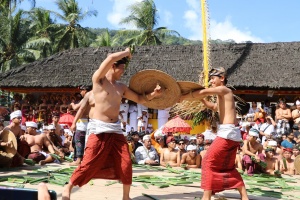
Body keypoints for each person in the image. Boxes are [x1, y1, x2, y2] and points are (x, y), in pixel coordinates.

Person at [62, 48, 162, 200]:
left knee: (126, 162)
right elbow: (109, 57)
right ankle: (68, 187)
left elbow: (140, 99)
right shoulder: (99, 80)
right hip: (98, 128)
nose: (123, 72)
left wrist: (154, 94)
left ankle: (126, 196)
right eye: (121, 69)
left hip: (115, 129)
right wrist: (127, 52)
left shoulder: (121, 87)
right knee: (88, 162)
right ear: (113, 66)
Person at [180, 67, 248, 200]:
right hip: (230, 134)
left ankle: (206, 197)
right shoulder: (221, 95)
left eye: (213, 78)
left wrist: (182, 97)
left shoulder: (224, 90)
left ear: (222, 78)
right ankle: (244, 197)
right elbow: (215, 107)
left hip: (227, 134)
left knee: (207, 161)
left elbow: (204, 91)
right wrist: (201, 101)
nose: (210, 81)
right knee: (227, 166)